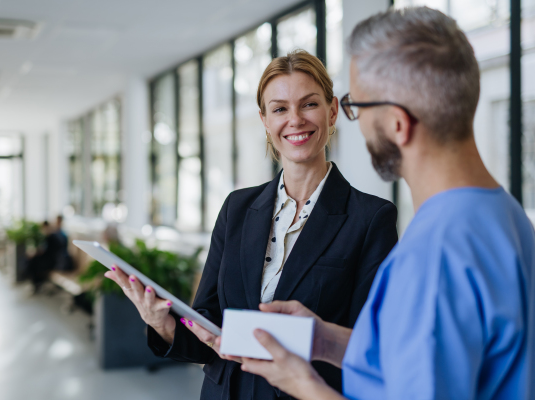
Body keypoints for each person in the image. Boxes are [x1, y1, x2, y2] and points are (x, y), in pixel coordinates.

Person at [237, 7, 535, 400]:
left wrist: (303, 384)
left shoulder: (433, 256)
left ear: (397, 122)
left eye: (355, 107)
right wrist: (325, 341)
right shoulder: (505, 215)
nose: (354, 121)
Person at [105, 50, 398, 399]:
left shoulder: (371, 218)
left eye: (308, 105)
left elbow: (367, 344)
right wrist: (162, 323)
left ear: (332, 110)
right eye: (279, 109)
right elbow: (208, 325)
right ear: (264, 119)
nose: (295, 120)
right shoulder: (238, 208)